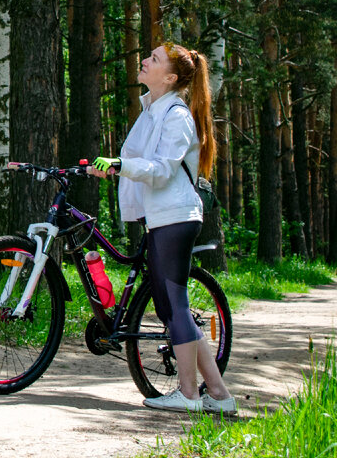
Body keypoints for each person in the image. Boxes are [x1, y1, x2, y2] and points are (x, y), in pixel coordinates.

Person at [86, 43, 237, 415]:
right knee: (172, 308)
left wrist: (121, 165)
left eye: (154, 59)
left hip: (176, 216)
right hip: (162, 218)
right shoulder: (151, 111)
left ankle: (188, 394)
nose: (144, 60)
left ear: (170, 77)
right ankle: (219, 395)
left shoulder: (176, 116)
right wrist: (111, 167)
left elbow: (162, 169)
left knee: (174, 307)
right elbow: (139, 162)